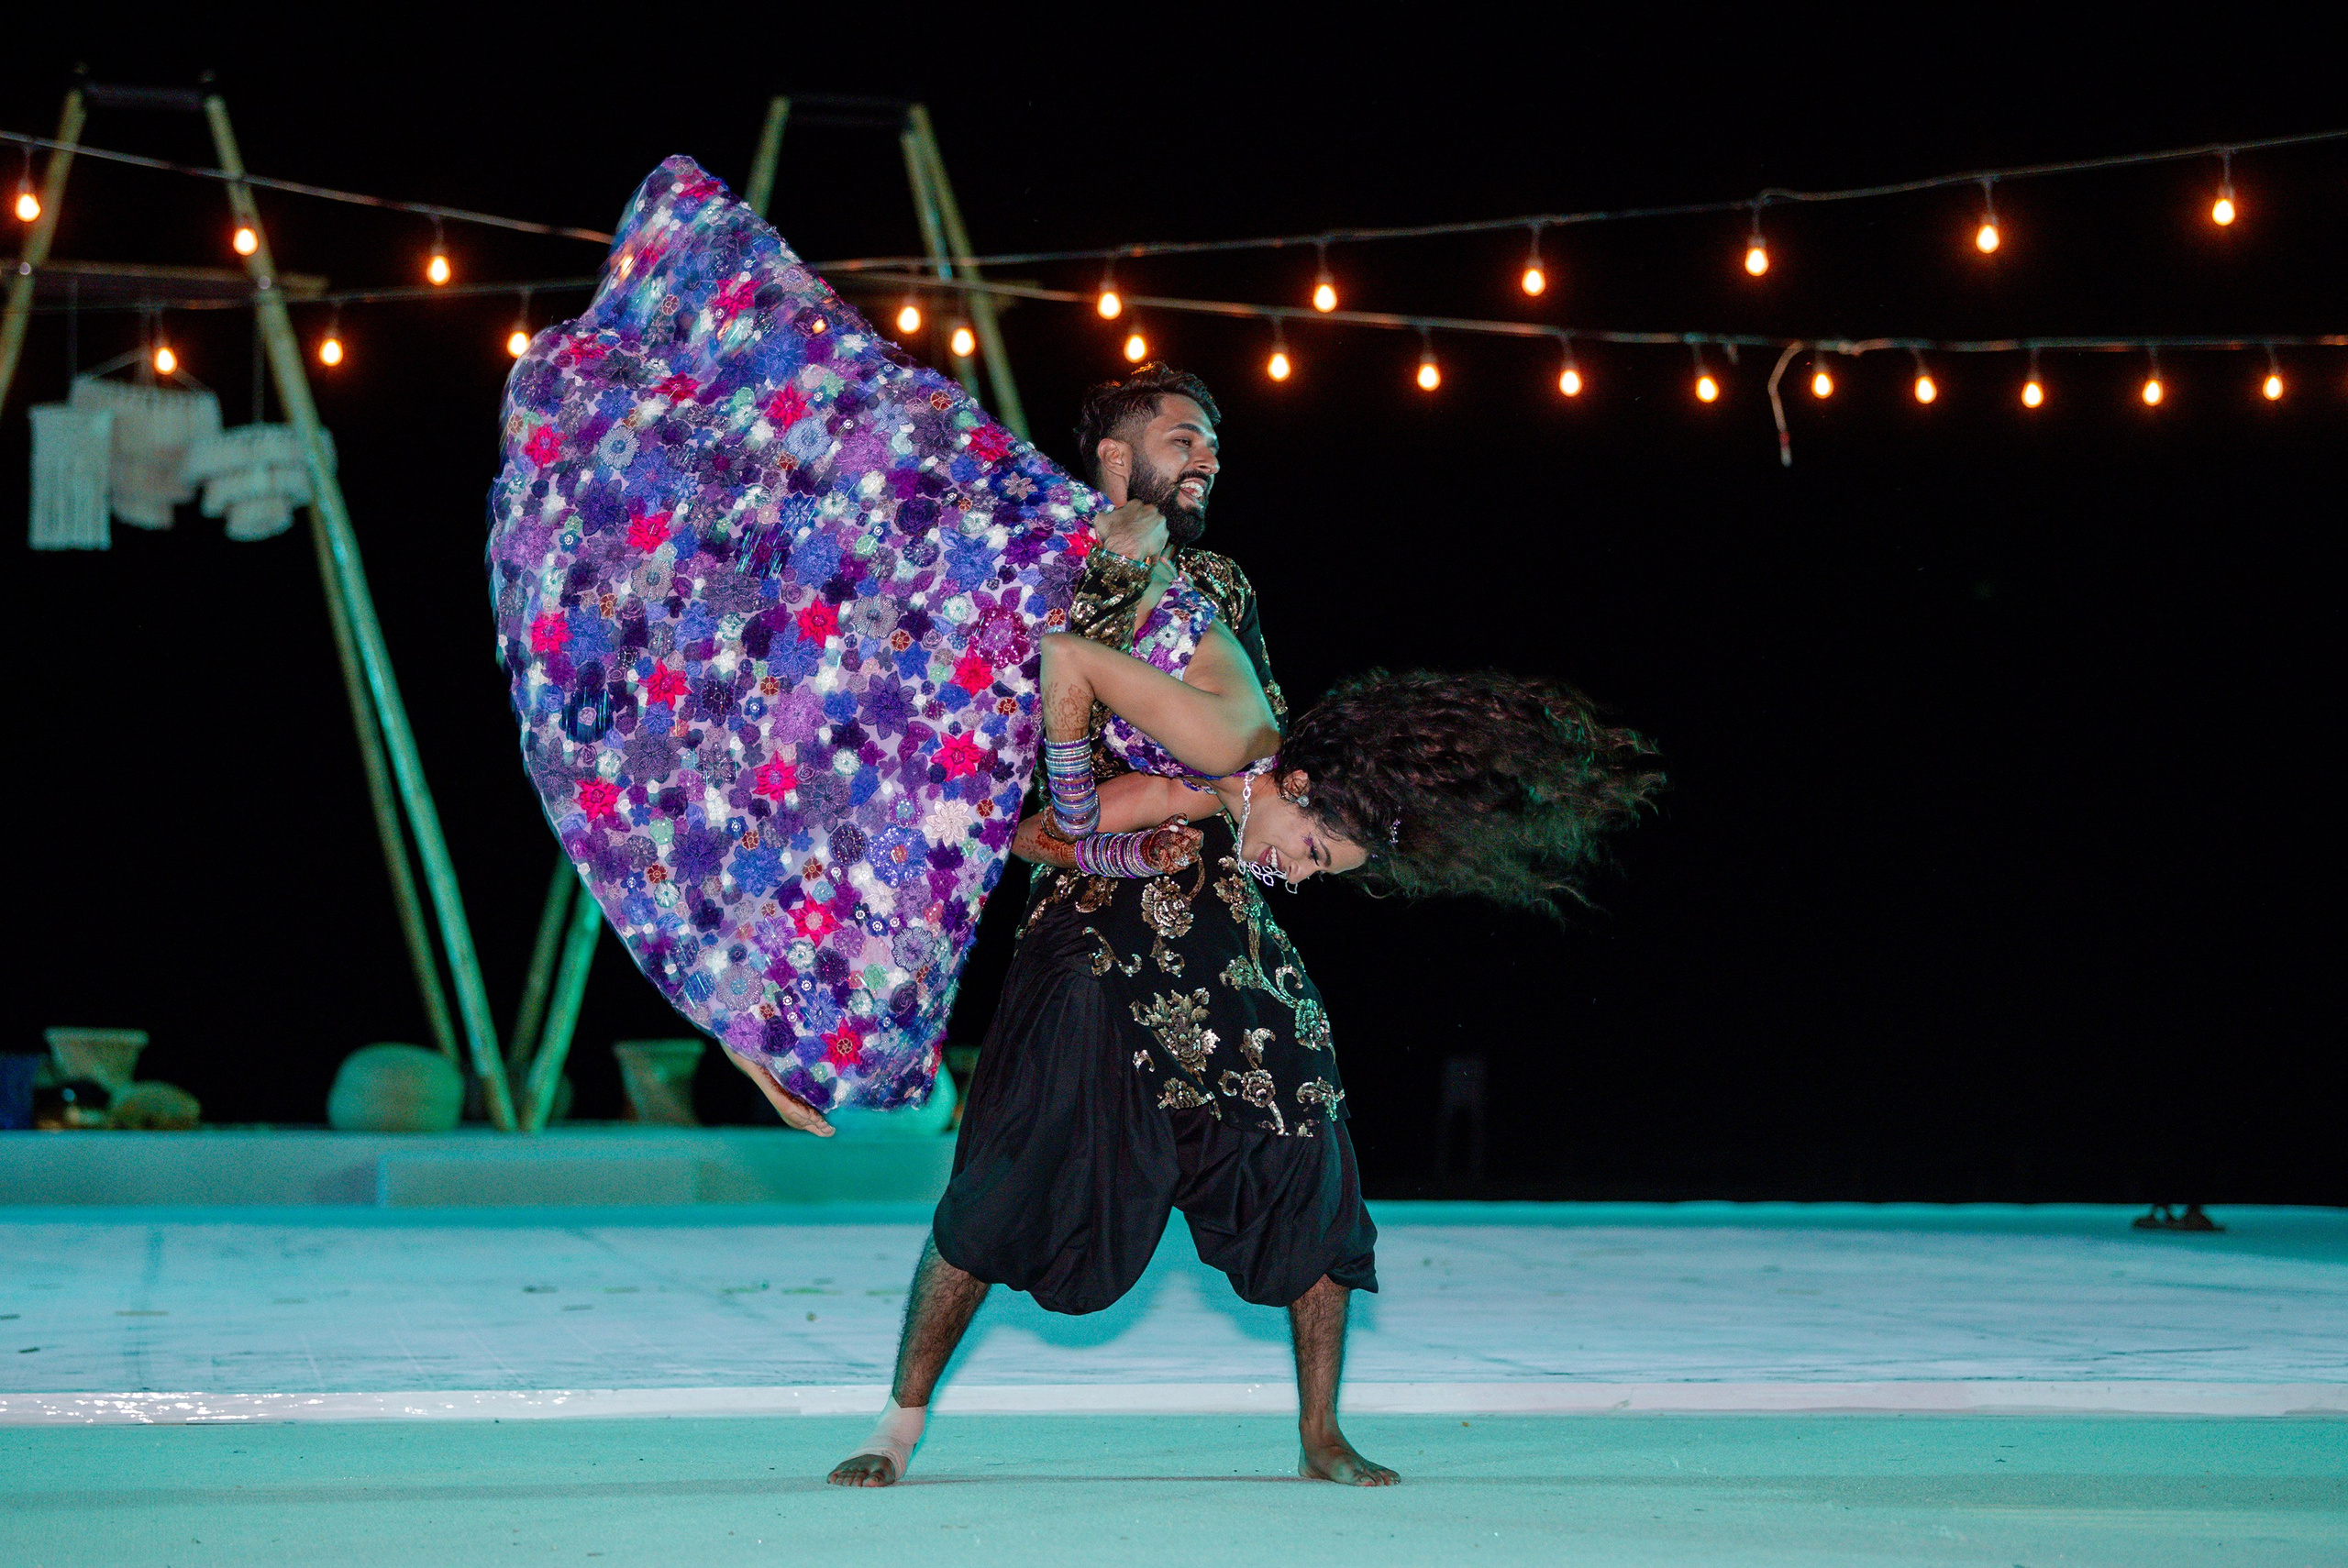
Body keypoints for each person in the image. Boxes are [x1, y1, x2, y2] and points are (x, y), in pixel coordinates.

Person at [825, 373, 1661, 1491]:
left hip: (1228, 918)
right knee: (1003, 1182)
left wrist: (1237, 812)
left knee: (1311, 1158)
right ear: (1116, 460)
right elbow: (1019, 824)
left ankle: (1321, 1434)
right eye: (1183, 439)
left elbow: (1259, 755)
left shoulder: (1217, 583)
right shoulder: (1029, 582)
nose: (1207, 457)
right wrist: (1115, 838)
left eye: (1213, 443)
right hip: (1085, 932)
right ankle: (896, 1426)